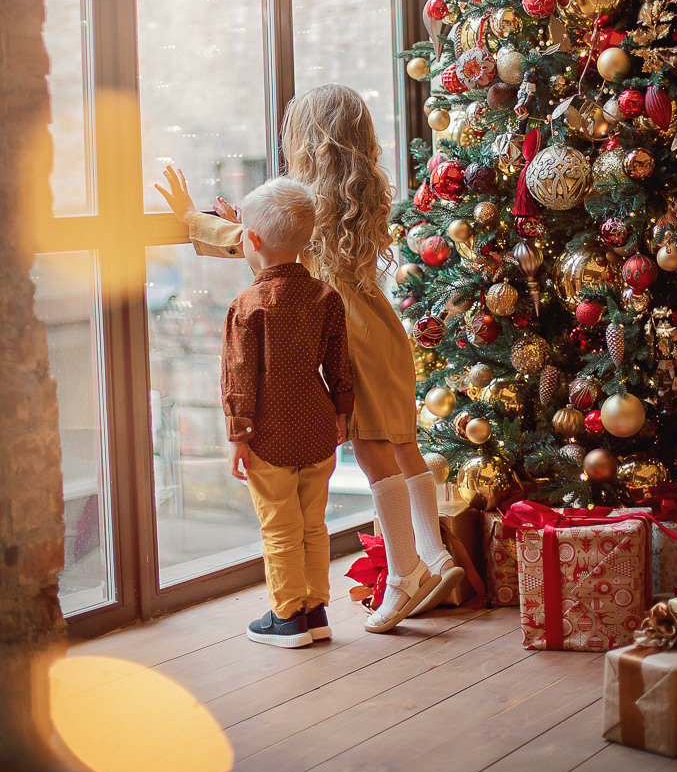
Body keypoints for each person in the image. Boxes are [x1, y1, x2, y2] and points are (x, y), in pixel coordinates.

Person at [156, 84, 463, 633]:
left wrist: (193, 218)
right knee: (401, 444)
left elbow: (255, 243)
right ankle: (434, 554)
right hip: (384, 332)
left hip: (348, 335)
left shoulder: (309, 202)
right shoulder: (365, 191)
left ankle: (405, 574)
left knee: (372, 455)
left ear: (309, 141)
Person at [220, 175, 354, 648]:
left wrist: (239, 434)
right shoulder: (325, 297)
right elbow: (340, 363)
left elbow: (239, 377)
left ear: (250, 240)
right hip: (318, 428)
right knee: (312, 523)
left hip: (268, 435)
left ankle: (287, 617)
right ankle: (316, 610)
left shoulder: (247, 306)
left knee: (279, 527)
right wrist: (341, 414)